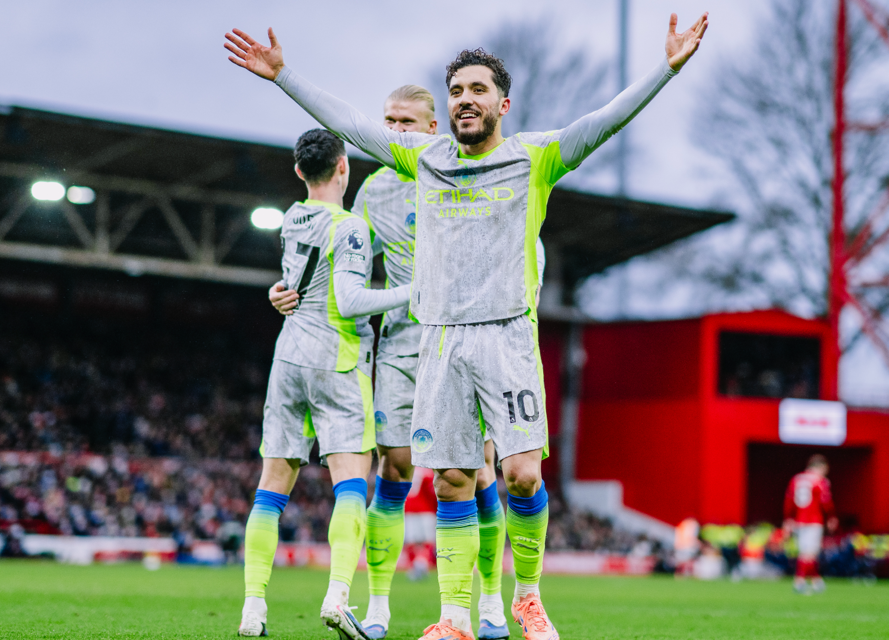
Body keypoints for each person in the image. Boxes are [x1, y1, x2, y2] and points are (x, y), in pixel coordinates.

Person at [225, 13, 707, 640]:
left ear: (502, 103)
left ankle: (527, 598)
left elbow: (605, 121)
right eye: (456, 92)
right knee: (452, 477)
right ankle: (454, 617)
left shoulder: (535, 158)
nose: (465, 101)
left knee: (521, 474)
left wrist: (666, 69)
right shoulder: (424, 158)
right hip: (439, 339)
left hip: (507, 336)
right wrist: (283, 75)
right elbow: (351, 123)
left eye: (477, 90)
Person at [268, 84, 546, 640]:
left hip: (469, 343)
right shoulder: (373, 191)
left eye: (408, 122)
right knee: (392, 468)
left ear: (432, 129)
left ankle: (490, 600)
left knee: (482, 472)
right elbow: (345, 263)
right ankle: (379, 609)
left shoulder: (462, 175)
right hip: (400, 346)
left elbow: (526, 246)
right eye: (388, 120)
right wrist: (289, 288)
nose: (395, 130)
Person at [238, 129, 411, 639]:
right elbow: (353, 299)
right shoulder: (351, 226)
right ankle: (338, 595)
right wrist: (411, 292)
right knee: (353, 485)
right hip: (337, 363)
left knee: (270, 489)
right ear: (343, 168)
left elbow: (293, 286)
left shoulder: (292, 219)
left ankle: (253, 607)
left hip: (287, 359)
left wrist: (277, 294)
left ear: (298, 172)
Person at [783, 454, 837, 595]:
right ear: (820, 467)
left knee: (805, 552)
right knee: (810, 553)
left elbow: (789, 501)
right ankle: (799, 581)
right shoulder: (820, 481)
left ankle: (816, 581)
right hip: (813, 520)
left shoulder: (796, 479)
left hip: (799, 520)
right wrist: (831, 517)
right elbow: (826, 502)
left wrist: (788, 518)